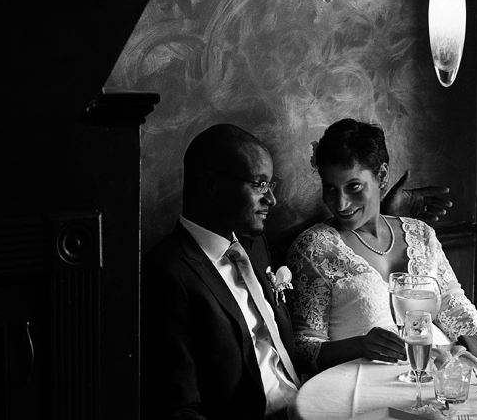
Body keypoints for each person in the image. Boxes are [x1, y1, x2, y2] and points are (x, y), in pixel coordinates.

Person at [140, 123, 456, 420]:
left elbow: (291, 349)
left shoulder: (252, 245)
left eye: (271, 185)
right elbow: (177, 409)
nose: (272, 199)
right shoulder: (166, 274)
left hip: (309, 401)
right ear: (211, 185)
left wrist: (385, 214)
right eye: (258, 185)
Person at [285, 118, 477, 376]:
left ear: (381, 175)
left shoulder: (420, 234)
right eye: (330, 188)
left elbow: (455, 307)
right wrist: (361, 346)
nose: (340, 203)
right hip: (362, 387)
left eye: (353, 186)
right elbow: (301, 351)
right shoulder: (314, 248)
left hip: (439, 376)